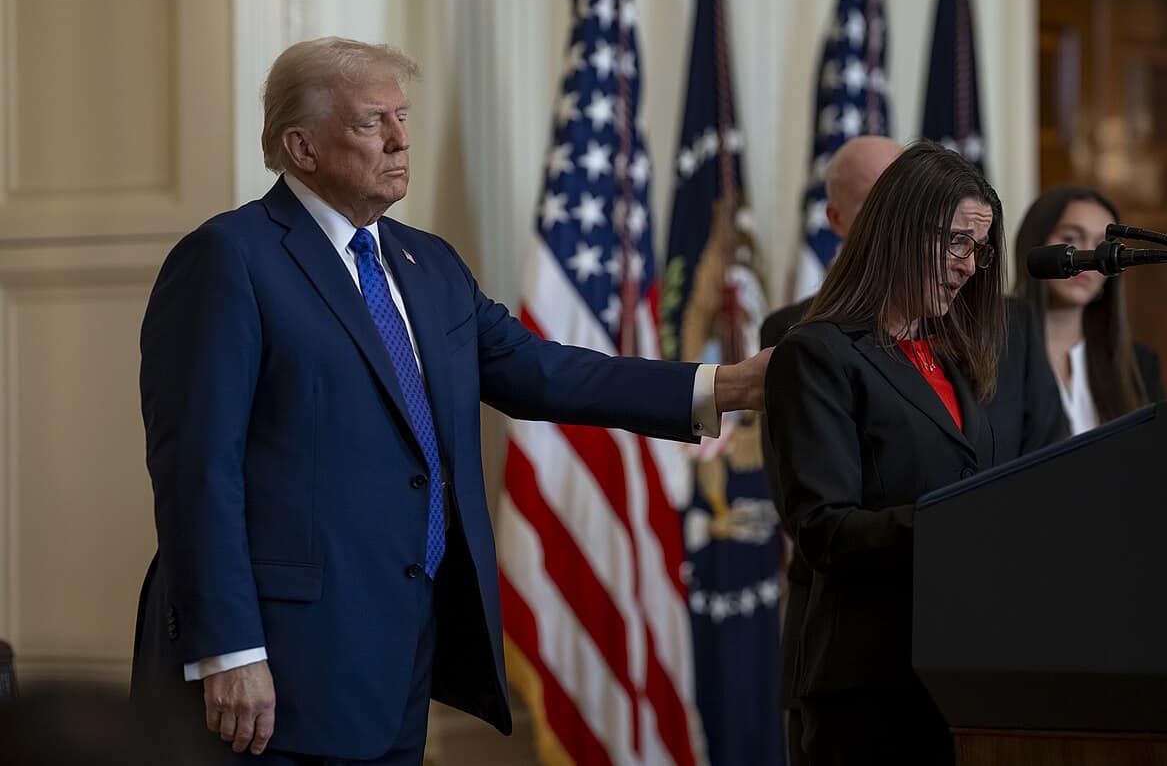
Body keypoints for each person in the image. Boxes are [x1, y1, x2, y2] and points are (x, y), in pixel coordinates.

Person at [131, 37, 770, 764]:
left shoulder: (425, 263)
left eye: (403, 116)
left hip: (401, 656)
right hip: (275, 668)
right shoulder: (230, 258)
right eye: (374, 122)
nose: (403, 139)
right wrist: (229, 650)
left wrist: (732, 383)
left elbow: (542, 372)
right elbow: (196, 472)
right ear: (300, 146)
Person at [759, 136, 1062, 765]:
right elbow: (822, 529)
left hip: (973, 674)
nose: (969, 265)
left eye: (979, 250)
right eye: (956, 241)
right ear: (895, 229)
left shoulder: (952, 353)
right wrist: (963, 525)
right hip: (874, 690)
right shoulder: (818, 351)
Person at [1013, 185, 1166, 434]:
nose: (1089, 257)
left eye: (1101, 246)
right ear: (1036, 246)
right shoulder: (995, 355)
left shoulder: (1139, 366)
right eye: (1071, 239)